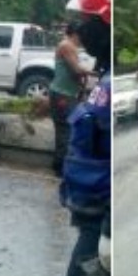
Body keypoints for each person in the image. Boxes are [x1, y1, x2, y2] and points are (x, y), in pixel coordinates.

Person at [58, 0, 111, 276]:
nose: (80, 28)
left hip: (101, 225)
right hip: (92, 220)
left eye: (86, 21)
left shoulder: (110, 84)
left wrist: (110, 231)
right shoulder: (105, 79)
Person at [50, 21, 92, 175]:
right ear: (76, 34)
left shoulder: (69, 46)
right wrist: (93, 73)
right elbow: (76, 70)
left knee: (65, 129)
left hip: (65, 93)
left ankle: (59, 165)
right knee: (66, 129)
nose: (84, 38)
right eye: (83, 34)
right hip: (63, 95)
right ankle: (61, 167)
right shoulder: (67, 46)